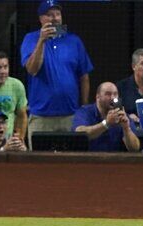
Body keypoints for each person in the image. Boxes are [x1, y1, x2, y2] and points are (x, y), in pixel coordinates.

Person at [21, 0, 94, 145]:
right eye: (49, 15)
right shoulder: (30, 39)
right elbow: (32, 69)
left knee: (71, 162)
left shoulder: (74, 40)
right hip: (41, 117)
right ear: (41, 19)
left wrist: (84, 108)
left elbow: (84, 76)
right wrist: (42, 40)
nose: (54, 18)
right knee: (38, 163)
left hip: (70, 116)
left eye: (57, 14)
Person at [73, 82, 140, 152]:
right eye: (108, 94)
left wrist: (126, 129)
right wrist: (106, 123)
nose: (112, 98)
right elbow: (79, 133)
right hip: (89, 159)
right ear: (98, 97)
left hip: (115, 160)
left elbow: (135, 148)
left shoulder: (122, 115)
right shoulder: (85, 111)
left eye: (115, 94)